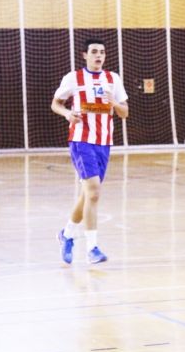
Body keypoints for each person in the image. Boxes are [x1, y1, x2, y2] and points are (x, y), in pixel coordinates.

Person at [52, 39, 128, 265]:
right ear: (85, 55)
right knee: (94, 192)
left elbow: (124, 113)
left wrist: (113, 102)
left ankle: (66, 234)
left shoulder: (113, 79)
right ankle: (92, 248)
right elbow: (56, 103)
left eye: (102, 52)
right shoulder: (73, 78)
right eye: (94, 52)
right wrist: (67, 114)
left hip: (104, 142)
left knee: (87, 194)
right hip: (81, 140)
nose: (99, 56)